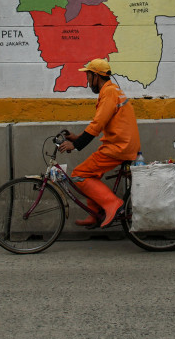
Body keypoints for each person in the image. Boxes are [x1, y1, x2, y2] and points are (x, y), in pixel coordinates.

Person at [58, 58, 141, 228]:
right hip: (122, 144)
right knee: (91, 173)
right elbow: (100, 122)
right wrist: (77, 137)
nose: (87, 81)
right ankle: (95, 214)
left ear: (96, 76)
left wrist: (76, 145)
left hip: (118, 147)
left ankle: (113, 204)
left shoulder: (109, 92)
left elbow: (98, 124)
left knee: (79, 174)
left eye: (88, 76)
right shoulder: (112, 90)